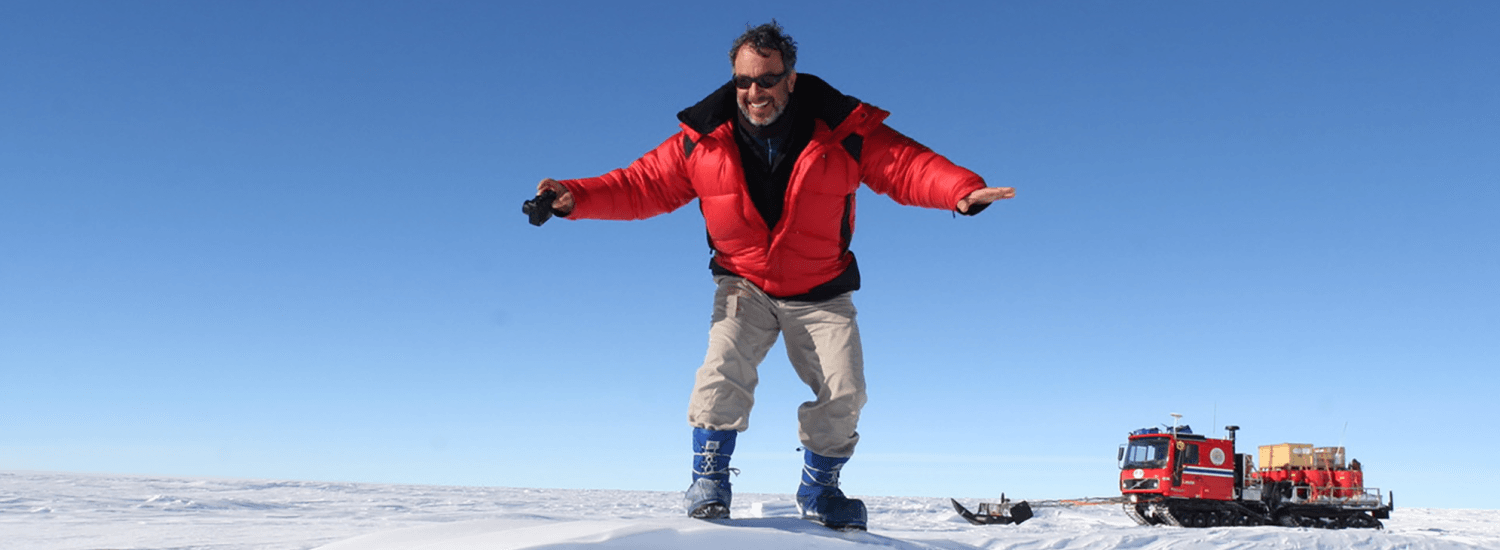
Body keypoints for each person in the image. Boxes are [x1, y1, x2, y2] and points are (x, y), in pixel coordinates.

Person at [527, 21, 1014, 530]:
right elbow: (639, 185)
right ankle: (709, 480)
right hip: (744, 281)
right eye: (743, 81)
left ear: (791, 78)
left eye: (766, 79)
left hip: (822, 287)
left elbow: (906, 166)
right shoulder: (702, 142)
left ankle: (820, 489)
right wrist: (575, 196)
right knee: (722, 368)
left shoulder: (843, 131)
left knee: (845, 390)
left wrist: (960, 190)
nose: (753, 92)